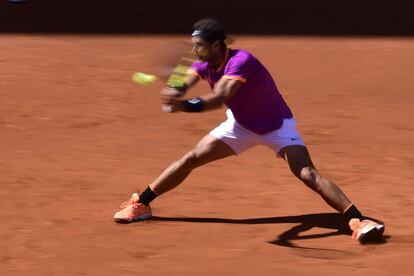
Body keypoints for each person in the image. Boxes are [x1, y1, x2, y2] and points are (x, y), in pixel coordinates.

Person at [114, 18, 384, 243]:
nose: (195, 51)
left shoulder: (242, 61)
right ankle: (142, 204)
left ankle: (357, 220)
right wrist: (174, 92)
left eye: (200, 45)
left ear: (218, 44)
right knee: (190, 159)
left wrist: (182, 106)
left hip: (276, 125)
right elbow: (184, 84)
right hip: (240, 125)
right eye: (193, 45)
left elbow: (219, 97)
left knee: (307, 173)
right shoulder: (201, 63)